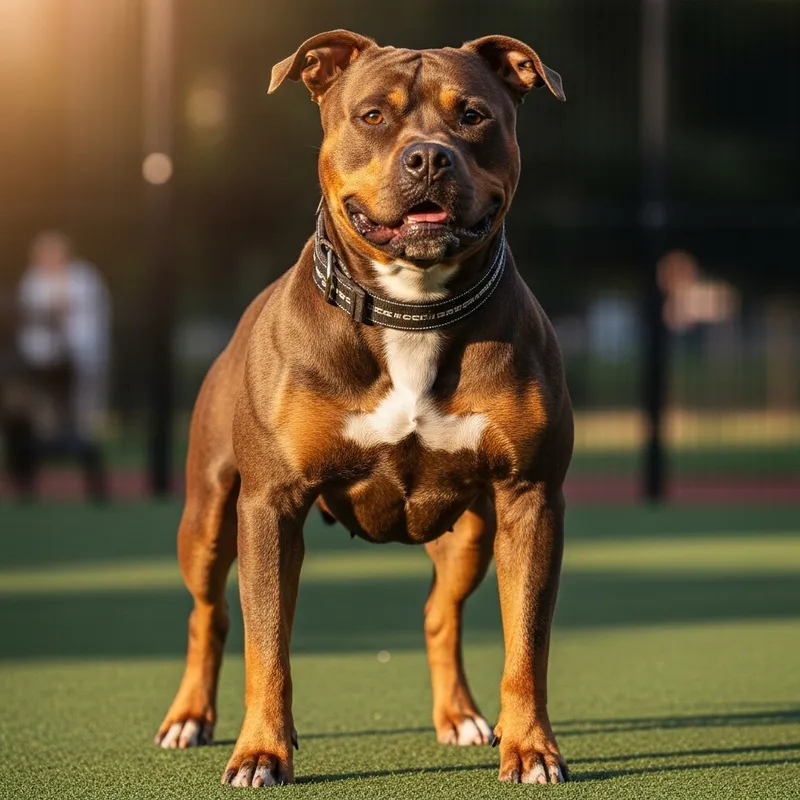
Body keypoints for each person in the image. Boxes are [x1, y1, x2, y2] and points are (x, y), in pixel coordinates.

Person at [12, 231, 111, 500]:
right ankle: (29, 482)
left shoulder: (83, 278)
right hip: (41, 367)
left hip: (81, 363)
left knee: (82, 420)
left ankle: (91, 479)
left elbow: (91, 323)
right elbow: (28, 325)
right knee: (39, 420)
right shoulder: (33, 281)